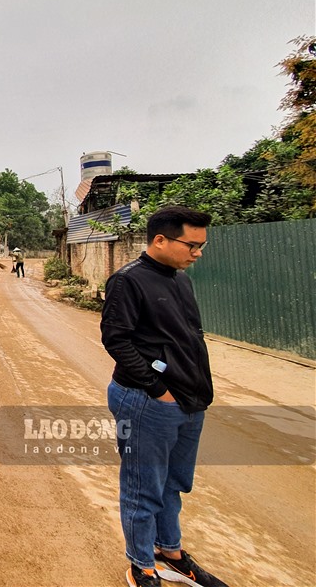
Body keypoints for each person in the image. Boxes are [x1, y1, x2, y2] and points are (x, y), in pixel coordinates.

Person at [101, 206, 228, 587]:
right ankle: (141, 566)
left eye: (201, 245)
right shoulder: (128, 281)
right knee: (143, 486)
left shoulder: (180, 279)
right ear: (160, 239)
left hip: (189, 401)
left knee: (173, 482)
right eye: (192, 244)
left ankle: (168, 551)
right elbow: (116, 340)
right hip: (146, 402)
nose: (198, 253)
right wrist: (159, 390)